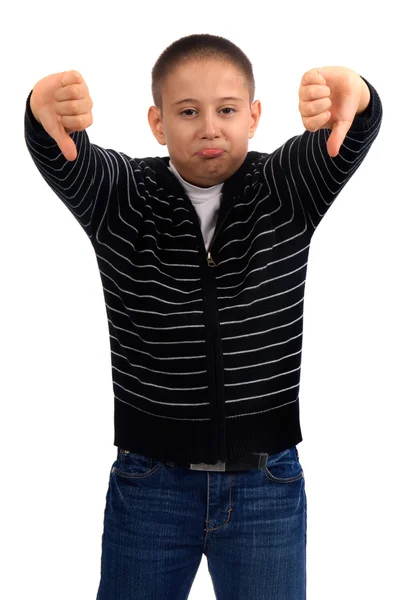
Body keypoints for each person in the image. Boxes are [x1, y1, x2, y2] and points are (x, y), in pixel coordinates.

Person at [24, 33, 382, 600]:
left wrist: (358, 97)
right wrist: (42, 113)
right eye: (188, 112)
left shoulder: (285, 188)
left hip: (266, 485)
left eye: (227, 110)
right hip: (150, 487)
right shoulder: (124, 197)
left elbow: (349, 132)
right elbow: (66, 157)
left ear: (254, 116)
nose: (209, 127)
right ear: (158, 123)